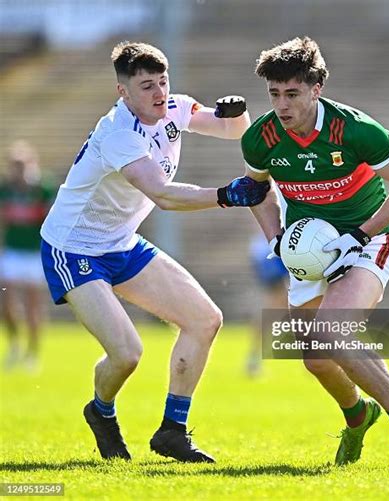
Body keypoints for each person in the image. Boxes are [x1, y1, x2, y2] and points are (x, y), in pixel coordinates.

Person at [40, 42, 269, 463]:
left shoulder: (175, 107)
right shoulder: (118, 135)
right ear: (122, 92)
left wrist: (238, 114)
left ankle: (172, 431)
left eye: (163, 82)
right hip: (73, 248)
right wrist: (225, 195)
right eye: (146, 86)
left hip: (122, 242)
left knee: (205, 320)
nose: (159, 93)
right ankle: (101, 411)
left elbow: (232, 131)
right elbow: (162, 195)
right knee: (127, 354)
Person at [241, 36, 389, 470]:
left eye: (292, 93)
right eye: (274, 94)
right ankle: (357, 415)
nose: (282, 105)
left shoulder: (355, 130)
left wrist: (361, 235)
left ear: (317, 89)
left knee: (332, 332)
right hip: (308, 249)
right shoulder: (261, 139)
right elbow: (257, 190)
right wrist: (275, 236)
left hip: (366, 242)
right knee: (316, 359)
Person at [0, 141, 54, 371]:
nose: (18, 170)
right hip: (12, 251)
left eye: (22, 165)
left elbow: (51, 220)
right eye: (15, 165)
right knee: (6, 304)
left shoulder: (43, 189)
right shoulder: (5, 189)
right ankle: (13, 346)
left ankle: (32, 352)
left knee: (33, 306)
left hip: (34, 253)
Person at [246, 231, 288, 376]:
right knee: (275, 305)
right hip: (273, 249)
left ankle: (253, 358)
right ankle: (253, 358)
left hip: (273, 247)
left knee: (276, 305)